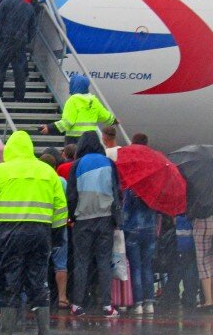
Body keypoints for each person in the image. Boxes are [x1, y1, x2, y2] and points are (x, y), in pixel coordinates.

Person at [0, 131, 68, 335]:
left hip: (9, 233)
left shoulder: (4, 170)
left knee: (10, 282)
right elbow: (61, 207)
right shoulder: (47, 171)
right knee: (38, 283)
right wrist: (56, 234)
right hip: (40, 234)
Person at [66, 131, 121, 317]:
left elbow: (72, 195)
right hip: (105, 218)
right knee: (104, 261)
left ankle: (77, 304)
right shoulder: (109, 163)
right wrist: (116, 219)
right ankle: (107, 305)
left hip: (83, 220)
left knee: (81, 262)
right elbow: (116, 192)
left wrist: (72, 217)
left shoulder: (78, 164)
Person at [0, 0, 38, 102]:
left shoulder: (5, 4)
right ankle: (19, 96)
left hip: (5, 39)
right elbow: (33, 27)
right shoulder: (28, 7)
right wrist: (27, 40)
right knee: (19, 69)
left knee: (0, 67)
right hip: (20, 41)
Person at [39, 74, 117, 143]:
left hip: (75, 140)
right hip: (92, 139)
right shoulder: (94, 100)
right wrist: (114, 121)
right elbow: (106, 117)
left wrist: (50, 128)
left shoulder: (73, 100)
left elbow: (67, 122)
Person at [39, 153, 70, 310]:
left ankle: (42, 295)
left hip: (42, 226)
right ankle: (62, 298)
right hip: (59, 226)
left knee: (41, 262)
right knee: (61, 264)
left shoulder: (39, 181)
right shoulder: (62, 181)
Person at [122, 186, 159, 315]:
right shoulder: (153, 189)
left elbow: (125, 213)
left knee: (135, 268)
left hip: (133, 230)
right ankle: (149, 303)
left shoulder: (132, 189)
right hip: (150, 231)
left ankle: (138, 304)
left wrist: (121, 225)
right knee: (147, 266)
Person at [192, 215, 213, 311]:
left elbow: (193, 211)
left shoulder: (200, 200)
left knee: (203, 262)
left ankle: (208, 301)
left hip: (202, 223)